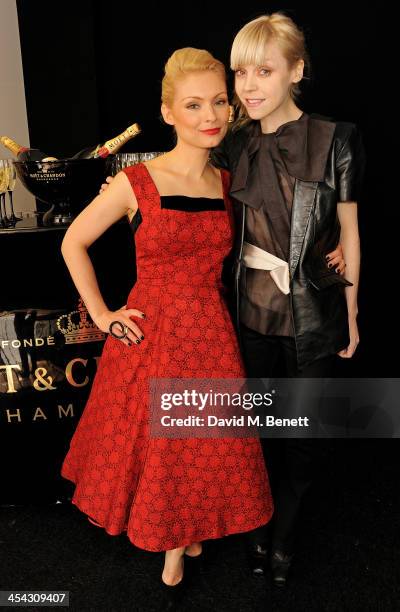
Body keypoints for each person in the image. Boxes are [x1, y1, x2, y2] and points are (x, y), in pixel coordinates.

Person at [60, 47, 273, 600]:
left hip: (211, 331)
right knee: (171, 444)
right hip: (153, 335)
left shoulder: (228, 184)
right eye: (194, 104)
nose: (210, 115)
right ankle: (175, 542)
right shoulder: (137, 181)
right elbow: (73, 242)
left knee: (201, 441)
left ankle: (186, 533)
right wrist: (104, 315)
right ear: (168, 112)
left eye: (220, 102)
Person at [210, 13, 365, 586]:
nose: (248, 86)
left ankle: (286, 536)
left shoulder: (337, 139)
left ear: (296, 70)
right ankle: (256, 526)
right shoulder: (233, 140)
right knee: (254, 435)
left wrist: (350, 315)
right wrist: (124, 186)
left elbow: (349, 232)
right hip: (247, 312)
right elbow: (182, 180)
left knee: (301, 439)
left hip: (311, 316)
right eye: (241, 72)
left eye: (265, 71)